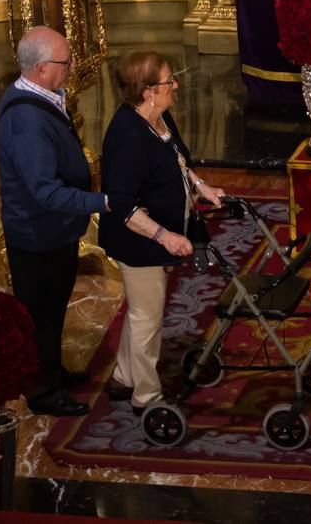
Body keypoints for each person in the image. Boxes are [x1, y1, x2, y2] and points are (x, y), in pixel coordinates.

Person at [98, 50, 224, 413]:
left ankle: (124, 377)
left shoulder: (158, 117)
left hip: (156, 236)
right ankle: (147, 397)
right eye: (170, 81)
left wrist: (202, 187)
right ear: (148, 90)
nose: (176, 85)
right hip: (138, 242)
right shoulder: (128, 136)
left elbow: (180, 160)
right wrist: (165, 237)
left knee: (143, 312)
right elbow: (121, 205)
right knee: (146, 320)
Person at [0, 26, 111, 417]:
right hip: (38, 234)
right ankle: (43, 392)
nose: (74, 66)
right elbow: (44, 191)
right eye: (67, 61)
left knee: (52, 310)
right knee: (40, 314)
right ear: (42, 68)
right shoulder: (27, 121)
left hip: (52, 231)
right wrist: (101, 202)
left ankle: (52, 371)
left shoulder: (41, 94)